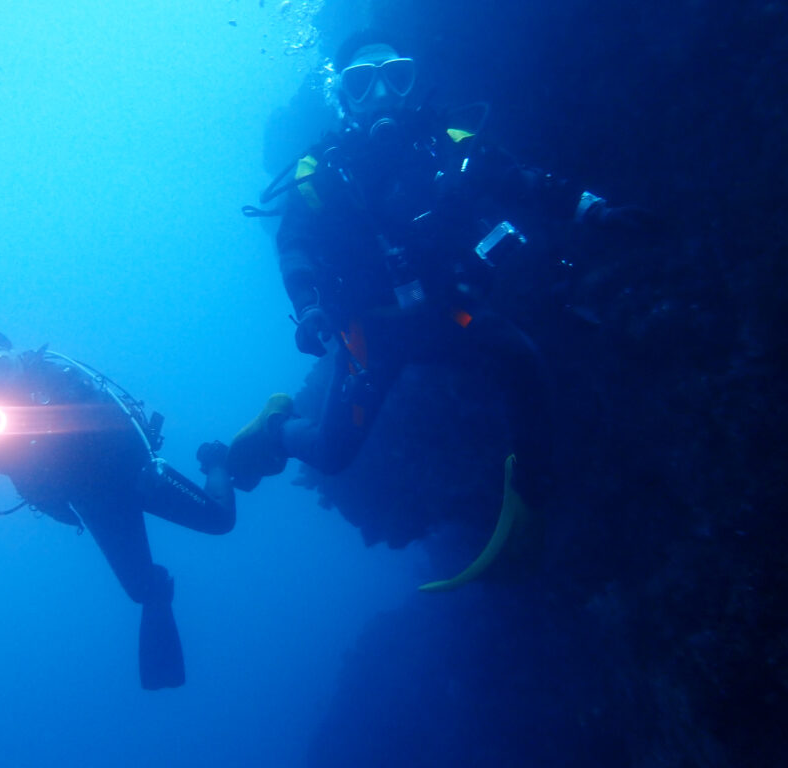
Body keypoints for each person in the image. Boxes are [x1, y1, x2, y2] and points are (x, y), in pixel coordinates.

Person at [229, 34, 651, 589]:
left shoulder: (448, 144)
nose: (381, 94)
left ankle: (531, 494)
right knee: (332, 453)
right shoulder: (321, 172)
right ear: (346, 99)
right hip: (369, 332)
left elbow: (521, 181)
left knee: (521, 357)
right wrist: (307, 308)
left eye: (395, 77)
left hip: (446, 315)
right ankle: (277, 429)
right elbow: (295, 244)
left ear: (411, 82)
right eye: (361, 83)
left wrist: (594, 211)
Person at [0, 329, 235, 689]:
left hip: (136, 475)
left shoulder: (52, 375)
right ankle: (163, 664)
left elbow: (111, 418)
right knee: (141, 591)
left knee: (220, 522)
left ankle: (215, 459)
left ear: (12, 355)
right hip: (94, 502)